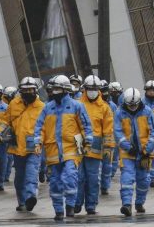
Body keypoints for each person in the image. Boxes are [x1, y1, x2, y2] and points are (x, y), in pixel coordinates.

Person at [34, 75, 93, 221]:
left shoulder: (76, 106)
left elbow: (86, 126)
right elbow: (39, 127)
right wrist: (38, 142)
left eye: (58, 88)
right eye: (53, 89)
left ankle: (70, 206)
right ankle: (58, 210)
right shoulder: (48, 108)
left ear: (65, 89)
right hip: (53, 150)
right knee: (54, 182)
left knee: (70, 177)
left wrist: (88, 143)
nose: (55, 91)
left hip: (72, 148)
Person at [0, 77, 44, 212]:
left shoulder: (42, 107)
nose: (28, 92)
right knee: (19, 177)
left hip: (33, 146)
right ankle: (22, 202)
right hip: (17, 145)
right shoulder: (14, 104)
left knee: (31, 173)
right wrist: (0, 134)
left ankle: (31, 197)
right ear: (21, 91)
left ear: (35, 90)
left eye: (31, 90)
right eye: (25, 90)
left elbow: (47, 127)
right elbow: (6, 121)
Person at [114, 88, 154, 217]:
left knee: (143, 180)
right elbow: (118, 133)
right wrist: (128, 147)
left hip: (143, 152)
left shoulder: (147, 112)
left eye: (135, 105)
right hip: (127, 152)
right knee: (127, 178)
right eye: (130, 105)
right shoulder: (120, 113)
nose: (133, 107)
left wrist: (147, 150)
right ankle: (126, 204)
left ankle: (139, 203)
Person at [75, 75, 114, 215]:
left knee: (92, 178)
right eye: (89, 88)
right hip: (79, 144)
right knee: (78, 177)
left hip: (96, 147)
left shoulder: (105, 108)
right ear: (85, 89)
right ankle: (77, 203)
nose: (92, 91)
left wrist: (108, 147)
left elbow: (108, 130)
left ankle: (91, 205)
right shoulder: (77, 104)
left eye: (94, 89)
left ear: (99, 90)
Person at [100, 79, 118, 195]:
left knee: (108, 163)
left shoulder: (113, 106)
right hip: (96, 138)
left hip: (110, 138)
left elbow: (117, 122)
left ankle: (105, 185)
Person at [2, 86, 18, 183]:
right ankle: (5, 176)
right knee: (8, 156)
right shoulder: (4, 105)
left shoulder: (16, 103)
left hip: (13, 132)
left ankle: (6, 176)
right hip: (7, 132)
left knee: (10, 157)